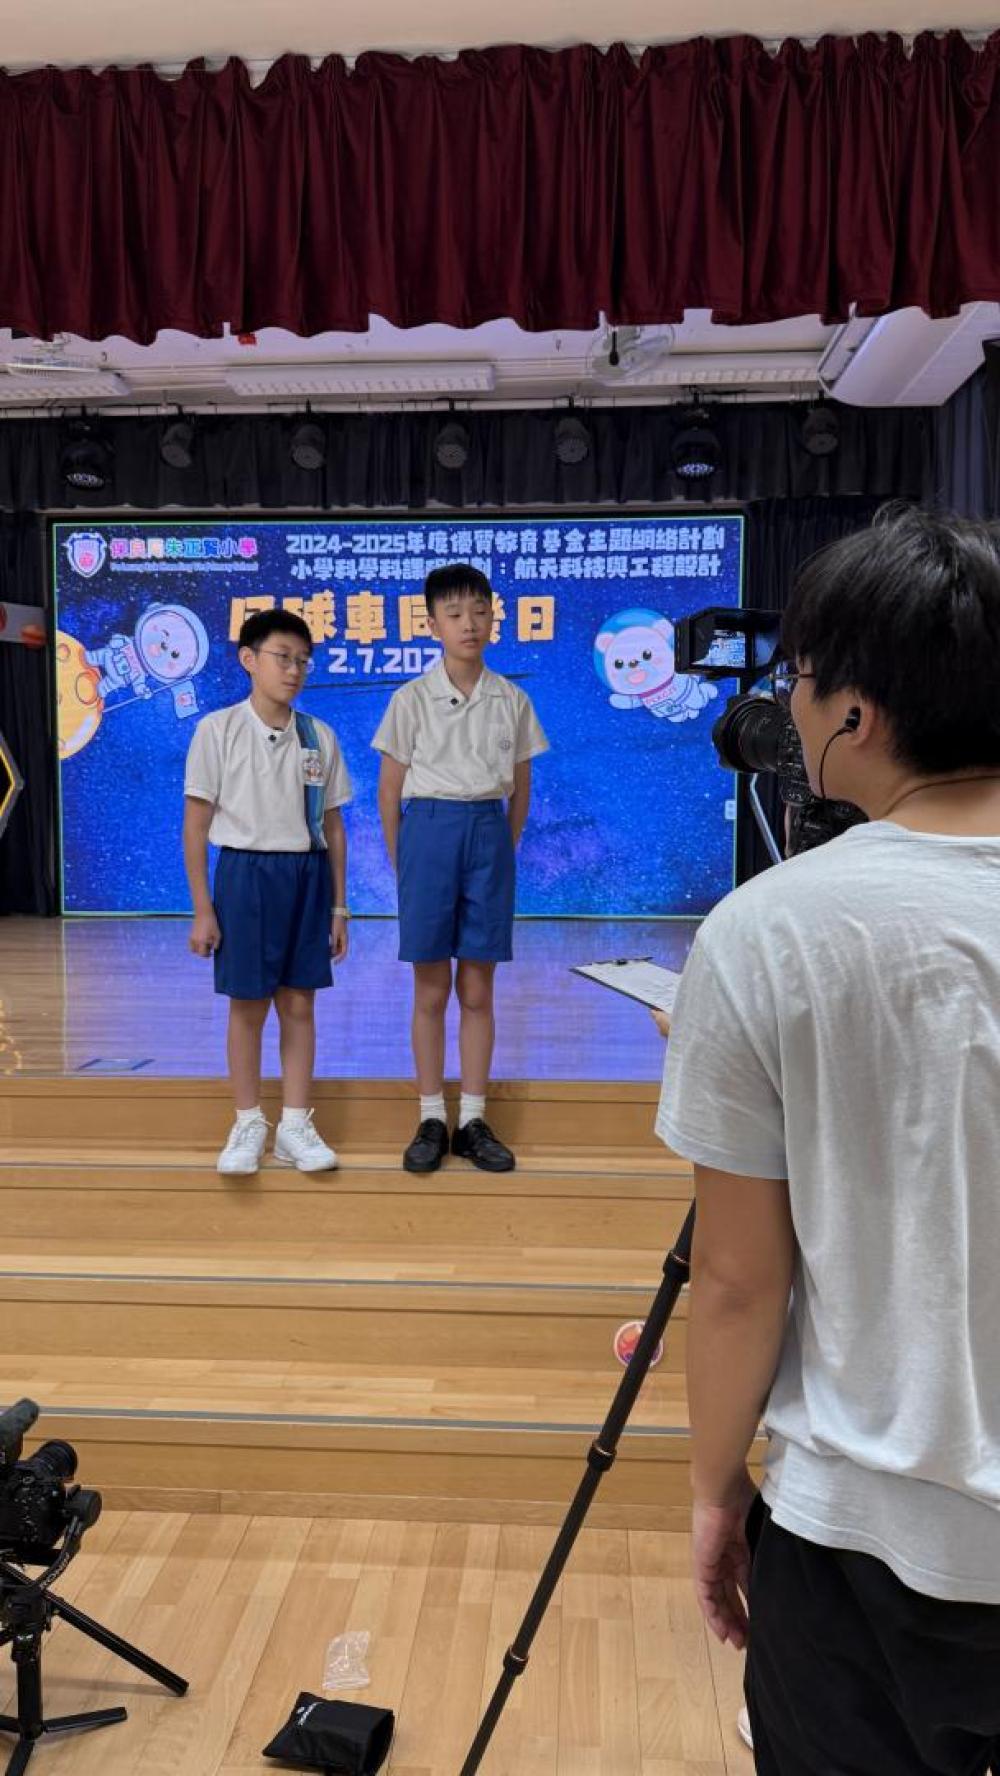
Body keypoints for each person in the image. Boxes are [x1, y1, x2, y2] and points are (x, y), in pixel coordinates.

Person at [657, 506, 1000, 1774]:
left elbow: (737, 1283)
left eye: (797, 679)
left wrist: (713, 1492)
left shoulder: (765, 933)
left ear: (852, 712)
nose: (787, 708)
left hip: (859, 1538)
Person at [373, 563, 548, 1174]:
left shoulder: (513, 700)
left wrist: (500, 846)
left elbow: (520, 790)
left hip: (487, 833)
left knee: (477, 988)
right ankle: (430, 1116)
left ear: (493, 617)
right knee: (430, 988)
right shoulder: (410, 699)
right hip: (427, 831)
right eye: (454, 614)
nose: (468, 623)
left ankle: (472, 1118)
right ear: (432, 625)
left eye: (479, 611)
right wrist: (405, 861)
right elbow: (389, 791)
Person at [183, 609, 352, 1175]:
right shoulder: (218, 730)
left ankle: (295, 1125)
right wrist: (203, 909)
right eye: (283, 657)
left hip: (306, 875)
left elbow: (333, 827)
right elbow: (195, 826)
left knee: (299, 1003)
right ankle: (248, 1121)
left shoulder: (319, 736)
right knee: (248, 1005)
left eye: (303, 660)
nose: (294, 669)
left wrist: (339, 905)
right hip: (245, 874)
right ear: (249, 659)